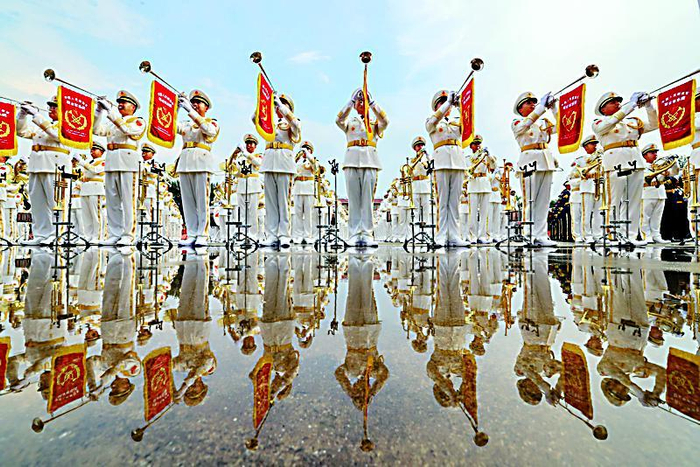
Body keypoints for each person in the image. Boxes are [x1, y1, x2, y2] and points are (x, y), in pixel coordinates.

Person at [593, 91, 659, 246]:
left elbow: (654, 124)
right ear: (603, 109)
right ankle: (612, 235)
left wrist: (649, 106)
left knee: (634, 201)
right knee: (614, 201)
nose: (617, 103)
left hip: (635, 161)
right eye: (613, 102)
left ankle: (630, 235)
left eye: (618, 101)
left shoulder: (632, 121)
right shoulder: (599, 122)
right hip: (615, 163)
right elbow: (608, 124)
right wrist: (631, 105)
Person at [337, 89, 389, 248]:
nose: (361, 103)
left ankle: (367, 233)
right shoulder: (349, 121)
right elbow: (338, 120)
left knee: (367, 200)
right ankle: (354, 234)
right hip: (351, 160)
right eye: (358, 101)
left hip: (370, 160)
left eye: (363, 101)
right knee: (353, 199)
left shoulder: (374, 122)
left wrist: (373, 103)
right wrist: (350, 102)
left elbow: (385, 121)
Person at [16, 96, 71, 245]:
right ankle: (41, 234)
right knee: (38, 203)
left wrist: (36, 114)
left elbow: (56, 135)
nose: (51, 109)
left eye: (55, 106)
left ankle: (58, 234)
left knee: (57, 202)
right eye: (50, 106)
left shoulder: (68, 125)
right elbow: (21, 132)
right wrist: (22, 115)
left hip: (56, 167)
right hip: (36, 166)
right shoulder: (41, 125)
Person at [93, 90, 146, 246]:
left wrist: (110, 111)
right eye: (119, 103)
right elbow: (96, 130)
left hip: (128, 163)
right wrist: (98, 112)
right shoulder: (113, 122)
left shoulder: (138, 121)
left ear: (133, 107)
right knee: (112, 201)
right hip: (111, 162)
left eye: (124, 102)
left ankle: (129, 235)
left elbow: (128, 130)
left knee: (128, 201)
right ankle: (114, 234)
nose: (120, 105)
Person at [512, 91, 559, 246]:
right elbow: (525, 125)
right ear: (520, 109)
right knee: (530, 200)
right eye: (529, 103)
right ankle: (528, 234)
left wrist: (554, 108)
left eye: (534, 102)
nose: (533, 105)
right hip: (529, 161)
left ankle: (541, 235)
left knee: (544, 202)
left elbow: (562, 127)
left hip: (545, 161)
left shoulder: (543, 122)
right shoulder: (517, 122)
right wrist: (541, 108)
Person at [176, 90, 219, 247]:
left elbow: (210, 131)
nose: (194, 105)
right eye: (192, 102)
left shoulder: (211, 122)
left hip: (202, 162)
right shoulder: (186, 124)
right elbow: (170, 126)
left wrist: (190, 111)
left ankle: (202, 234)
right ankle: (192, 233)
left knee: (202, 201)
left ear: (206, 107)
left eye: (198, 103)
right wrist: (176, 108)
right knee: (187, 201)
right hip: (185, 162)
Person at [258, 94, 300, 249]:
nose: (278, 106)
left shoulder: (291, 121)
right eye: (277, 104)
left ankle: (284, 234)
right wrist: (264, 104)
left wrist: (282, 108)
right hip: (269, 162)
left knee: (283, 201)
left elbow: (296, 126)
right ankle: (272, 234)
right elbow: (254, 119)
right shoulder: (270, 123)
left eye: (283, 104)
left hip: (284, 163)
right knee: (270, 202)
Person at [426, 90, 467, 247]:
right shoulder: (433, 120)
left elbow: (468, 128)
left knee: (454, 202)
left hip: (457, 160)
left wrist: (460, 106)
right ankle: (441, 235)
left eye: (447, 102)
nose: (446, 106)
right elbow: (430, 125)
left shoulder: (457, 121)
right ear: (437, 106)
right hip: (441, 161)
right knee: (442, 201)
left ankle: (454, 235)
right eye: (442, 103)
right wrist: (448, 103)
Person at [465, 135, 496, 243]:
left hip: (484, 185)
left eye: (479, 143)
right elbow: (465, 171)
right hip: (473, 184)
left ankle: (482, 235)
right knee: (472, 213)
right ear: (471, 146)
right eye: (475, 144)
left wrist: (489, 155)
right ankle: (472, 236)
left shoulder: (485, 157)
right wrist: (469, 176)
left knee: (484, 213)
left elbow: (493, 167)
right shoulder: (468, 158)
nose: (478, 146)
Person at [75, 142, 106, 243]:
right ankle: (88, 236)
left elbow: (95, 170)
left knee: (96, 215)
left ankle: (97, 237)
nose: (92, 151)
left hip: (96, 189)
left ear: (101, 152)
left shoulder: (103, 161)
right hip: (85, 189)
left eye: (94, 149)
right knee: (86, 215)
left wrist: (82, 162)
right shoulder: (89, 162)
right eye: (91, 149)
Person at [640, 143, 670, 243]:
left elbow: (669, 175)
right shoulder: (642, 167)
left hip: (660, 193)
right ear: (645, 155)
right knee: (645, 217)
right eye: (652, 152)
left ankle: (656, 235)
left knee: (657, 217)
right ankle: (646, 235)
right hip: (648, 193)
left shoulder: (660, 166)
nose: (655, 154)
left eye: (656, 152)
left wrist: (666, 173)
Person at [291, 141, 316, 244]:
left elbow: (315, 168)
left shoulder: (313, 160)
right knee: (298, 213)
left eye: (307, 149)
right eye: (303, 149)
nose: (305, 151)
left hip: (308, 189)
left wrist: (308, 155)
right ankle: (298, 235)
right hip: (298, 188)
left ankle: (307, 235)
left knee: (308, 214)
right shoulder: (297, 161)